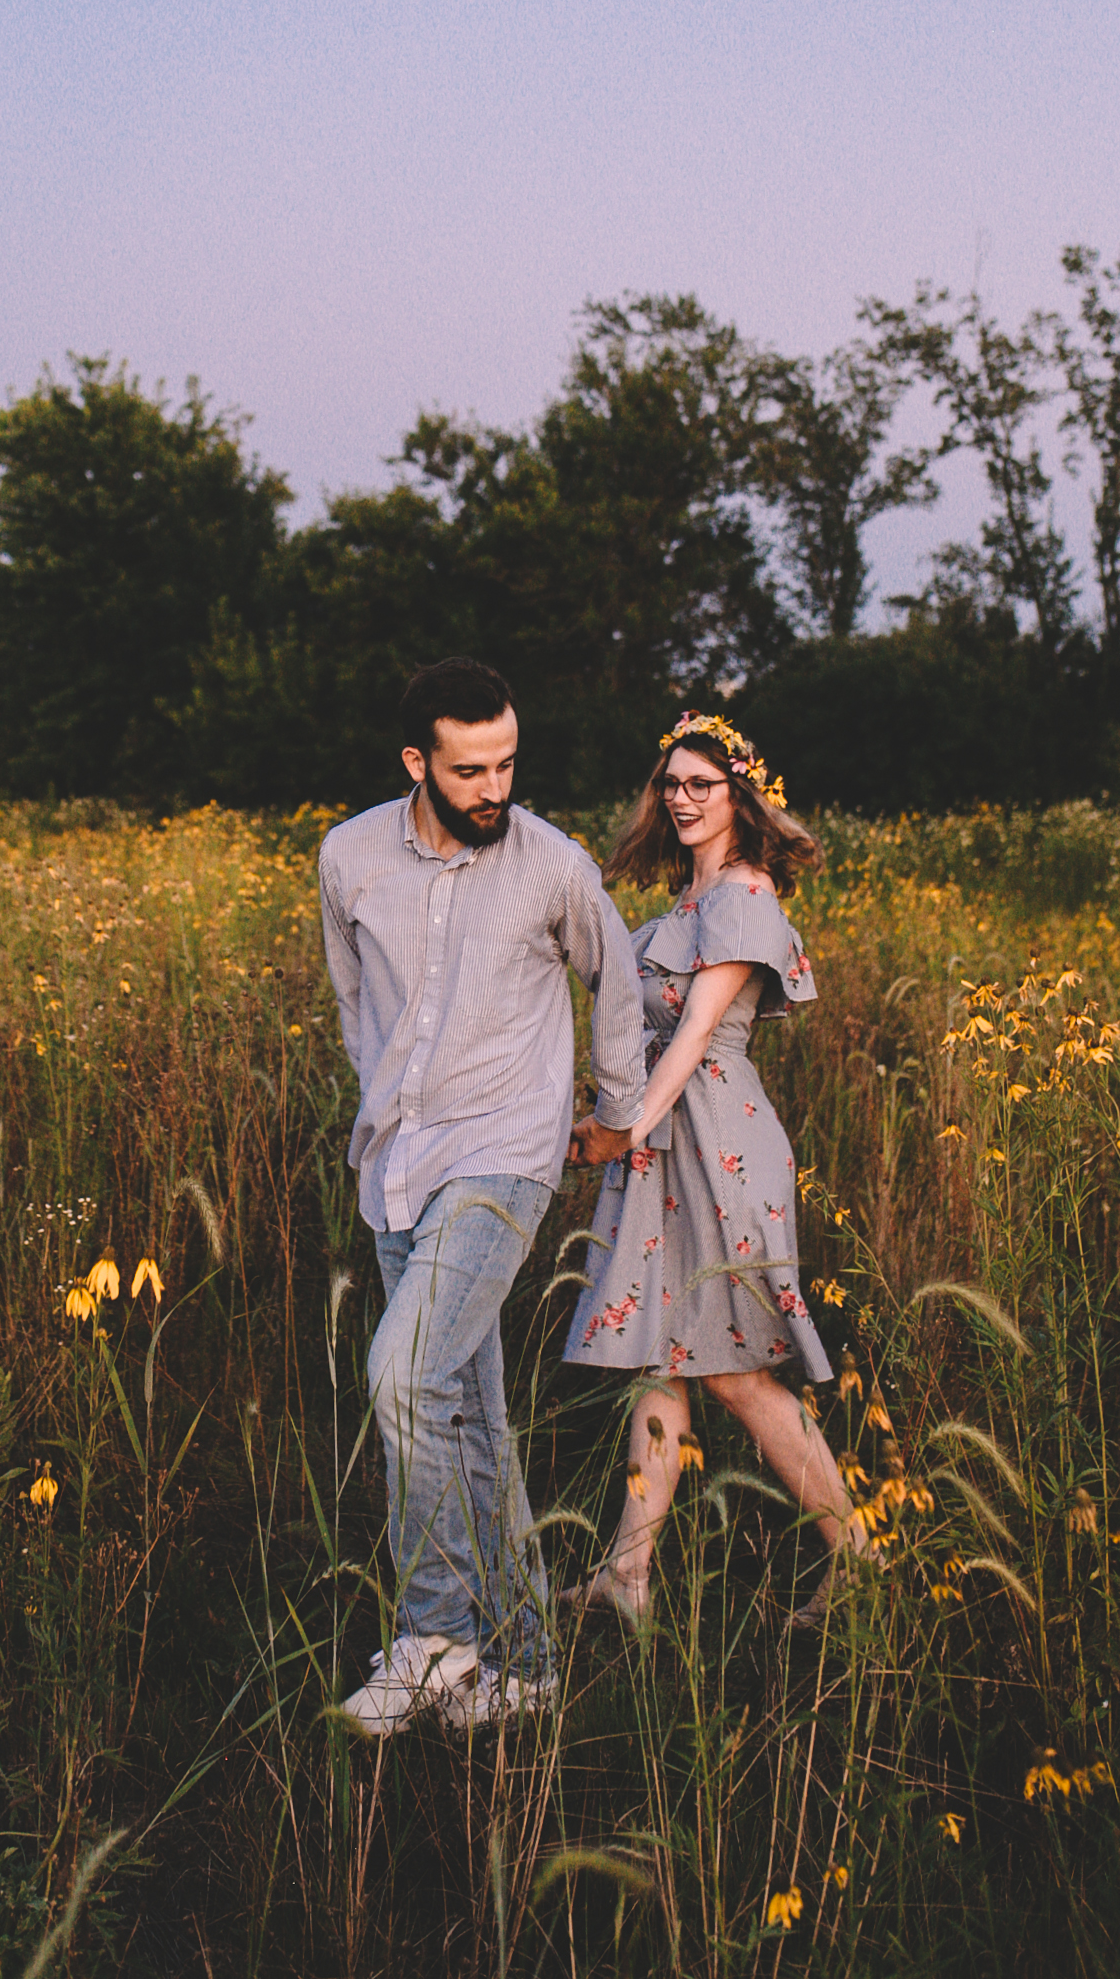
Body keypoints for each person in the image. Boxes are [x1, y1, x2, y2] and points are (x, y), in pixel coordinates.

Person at [318, 657, 647, 1734]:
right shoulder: (349, 857)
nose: (493, 788)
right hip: (396, 1164)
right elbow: (356, 999)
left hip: (503, 1157)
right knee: (465, 1409)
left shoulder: (552, 865)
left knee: (402, 1378)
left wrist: (612, 1110)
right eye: (468, 770)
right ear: (416, 761)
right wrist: (380, 1110)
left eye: (506, 762)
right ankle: (525, 1663)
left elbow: (617, 978)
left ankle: (432, 1637)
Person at [564, 710, 863, 1621]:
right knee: (661, 1357)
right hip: (665, 1139)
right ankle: (628, 1576)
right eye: (673, 783)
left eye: (705, 783)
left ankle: (857, 1562)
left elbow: (694, 1038)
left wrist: (621, 1127)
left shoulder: (744, 895)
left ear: (740, 793)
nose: (684, 798)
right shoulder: (688, 901)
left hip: (715, 1142)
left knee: (736, 1373)